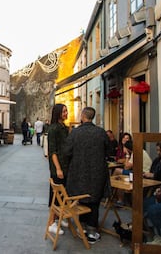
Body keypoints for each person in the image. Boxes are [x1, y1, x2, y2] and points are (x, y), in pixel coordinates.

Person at [64, 107, 109, 244]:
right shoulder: (101, 133)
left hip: (78, 172)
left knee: (80, 197)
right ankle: (91, 230)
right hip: (97, 173)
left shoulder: (75, 133)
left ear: (83, 116)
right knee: (94, 201)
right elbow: (109, 150)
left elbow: (67, 151)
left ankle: (81, 226)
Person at [47, 104, 70, 235]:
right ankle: (52, 223)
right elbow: (52, 152)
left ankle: (59, 218)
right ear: (58, 113)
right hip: (58, 167)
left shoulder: (64, 128)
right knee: (55, 195)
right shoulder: (54, 129)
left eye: (66, 111)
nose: (66, 113)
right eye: (64, 111)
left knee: (62, 195)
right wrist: (58, 168)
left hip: (65, 166)